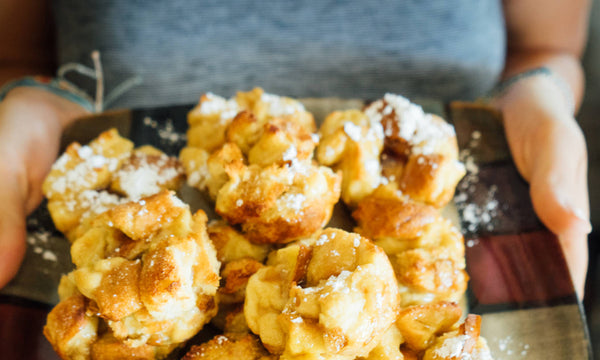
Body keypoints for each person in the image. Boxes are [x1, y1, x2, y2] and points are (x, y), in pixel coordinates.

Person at [0, 0, 592, 296]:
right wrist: (28, 104)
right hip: (132, 213)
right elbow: (19, 57)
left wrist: (536, 96)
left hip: (445, 217)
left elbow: (544, 49)